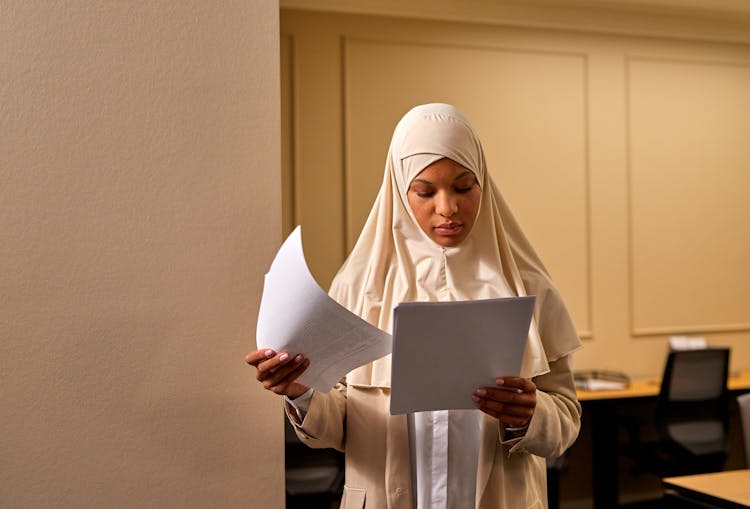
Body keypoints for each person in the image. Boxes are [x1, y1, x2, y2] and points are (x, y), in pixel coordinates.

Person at [246, 103, 582, 508]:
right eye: (425, 191)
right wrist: (300, 392)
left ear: (484, 184)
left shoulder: (528, 285)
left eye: (463, 187)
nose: (447, 208)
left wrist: (530, 413)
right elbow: (337, 428)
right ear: (400, 191)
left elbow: (566, 420)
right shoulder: (359, 286)